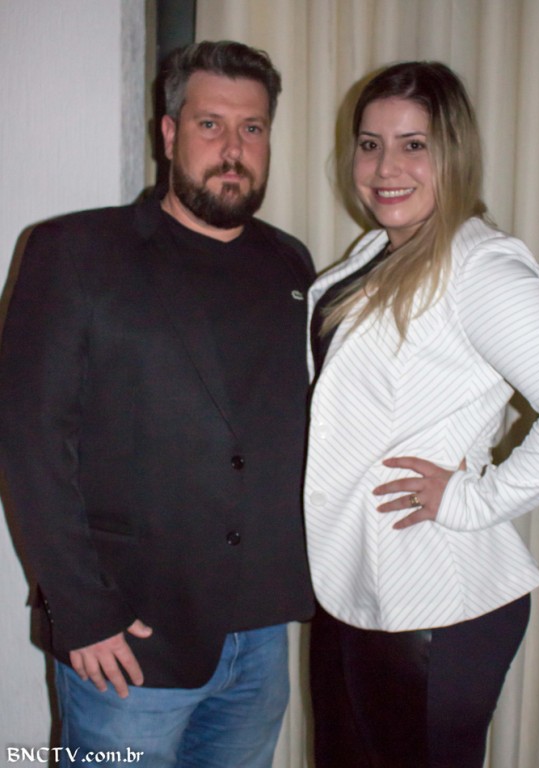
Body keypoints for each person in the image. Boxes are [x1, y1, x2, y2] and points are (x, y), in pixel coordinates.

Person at [0, 40, 315, 768]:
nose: (233, 149)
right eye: (210, 125)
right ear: (169, 133)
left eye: (252, 128)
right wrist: (82, 612)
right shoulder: (74, 251)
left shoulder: (290, 263)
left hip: (260, 639)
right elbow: (30, 439)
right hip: (127, 639)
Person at [305, 61, 539, 768]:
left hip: (436, 602)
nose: (386, 167)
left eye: (414, 144)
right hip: (357, 587)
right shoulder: (379, 250)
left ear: (455, 153)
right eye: (370, 144)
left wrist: (472, 499)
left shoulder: (480, 268)